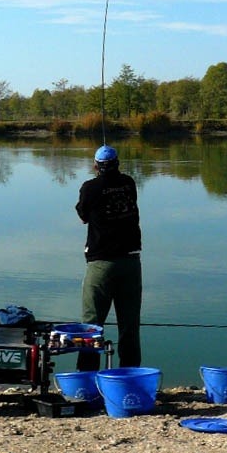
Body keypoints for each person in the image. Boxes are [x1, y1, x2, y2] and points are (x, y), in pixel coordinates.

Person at [74, 144, 142, 371]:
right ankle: (130, 376)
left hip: (101, 263)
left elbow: (83, 216)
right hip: (131, 262)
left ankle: (87, 378)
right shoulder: (129, 183)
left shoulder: (90, 187)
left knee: (92, 325)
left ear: (95, 166)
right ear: (118, 164)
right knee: (129, 326)